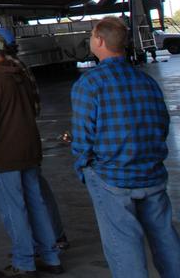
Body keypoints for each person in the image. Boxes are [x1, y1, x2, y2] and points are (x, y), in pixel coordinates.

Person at [71, 16, 180, 278]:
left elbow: (83, 137)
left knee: (124, 246)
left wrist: (84, 169)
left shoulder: (90, 84)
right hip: (151, 175)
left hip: (112, 178)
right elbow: (161, 125)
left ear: (99, 40)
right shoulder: (146, 81)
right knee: (165, 238)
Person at [0, 29, 61, 277]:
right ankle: (51, 257)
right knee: (36, 204)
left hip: (5, 156)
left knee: (14, 209)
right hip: (29, 150)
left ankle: (24, 262)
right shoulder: (20, 75)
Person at [0, 25, 67, 249]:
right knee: (35, 189)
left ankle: (38, 246)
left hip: (14, 142)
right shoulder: (19, 66)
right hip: (26, 137)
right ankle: (53, 238)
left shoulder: (7, 72)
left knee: (27, 195)